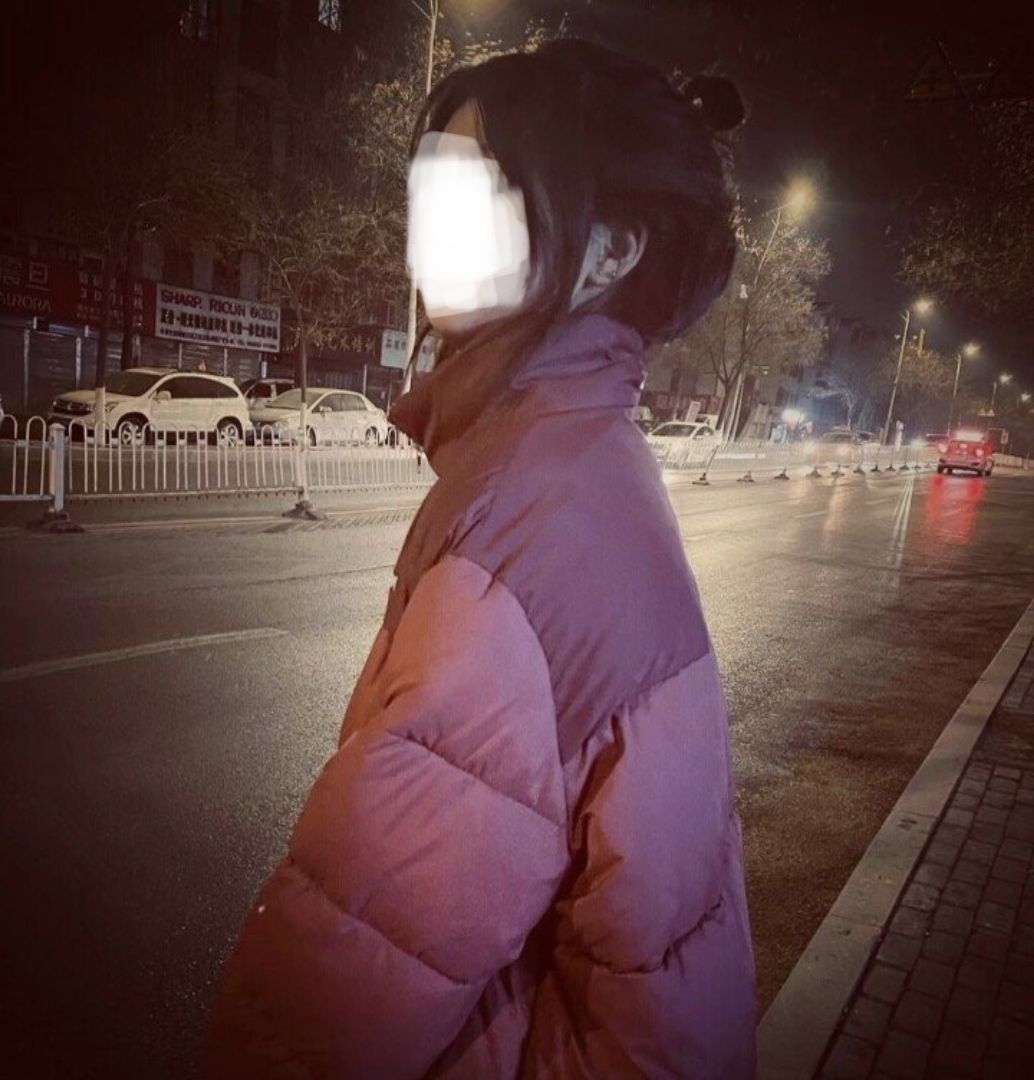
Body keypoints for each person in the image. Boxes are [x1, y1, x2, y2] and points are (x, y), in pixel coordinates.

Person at [205, 39, 756, 1078]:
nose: (436, 224)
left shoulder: (524, 516)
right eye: (434, 188)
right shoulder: (585, 455)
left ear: (609, 253)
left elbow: (361, 969)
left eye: (483, 192)